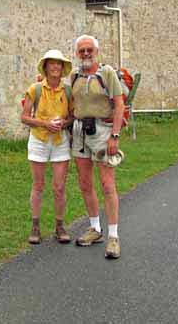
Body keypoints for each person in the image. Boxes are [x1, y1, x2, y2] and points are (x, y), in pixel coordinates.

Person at [70, 35, 124, 259]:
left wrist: (115, 135)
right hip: (79, 131)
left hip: (102, 131)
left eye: (89, 50)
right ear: (76, 53)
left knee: (107, 184)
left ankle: (113, 236)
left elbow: (119, 103)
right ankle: (95, 229)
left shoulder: (107, 73)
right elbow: (71, 103)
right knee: (84, 183)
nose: (85, 54)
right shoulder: (74, 76)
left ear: (96, 51)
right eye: (81, 50)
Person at [20, 49, 74, 245]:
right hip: (39, 140)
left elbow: (72, 116)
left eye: (59, 64)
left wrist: (63, 123)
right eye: (51, 63)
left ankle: (60, 226)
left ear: (62, 68)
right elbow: (24, 117)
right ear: (45, 67)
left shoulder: (67, 91)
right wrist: (45, 124)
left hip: (60, 141)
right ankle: (35, 226)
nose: (55, 67)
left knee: (59, 187)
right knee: (38, 185)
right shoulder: (35, 89)